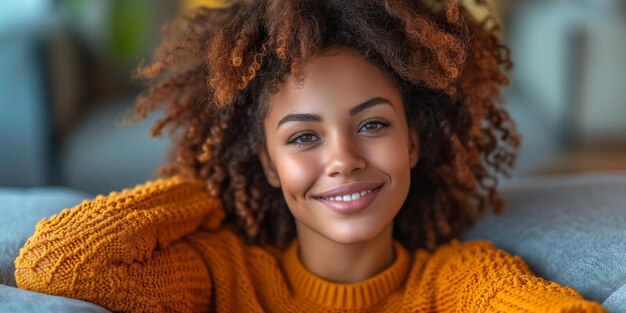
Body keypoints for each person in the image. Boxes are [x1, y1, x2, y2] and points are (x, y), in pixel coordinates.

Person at [14, 0, 608, 312]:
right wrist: (208, 186)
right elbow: (60, 267)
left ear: (415, 141)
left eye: (372, 124)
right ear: (267, 164)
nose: (343, 159)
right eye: (303, 137)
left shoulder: (458, 281)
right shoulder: (225, 276)